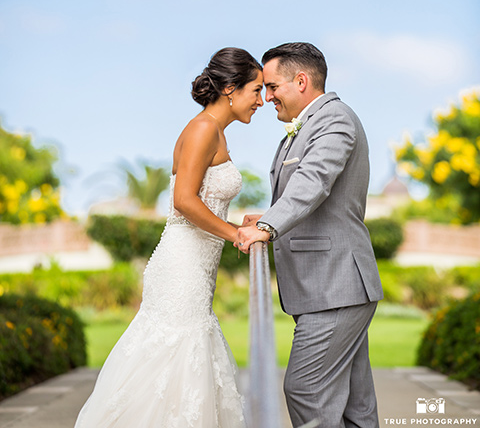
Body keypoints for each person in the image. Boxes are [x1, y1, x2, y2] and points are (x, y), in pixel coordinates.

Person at [75, 47, 264, 428]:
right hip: (181, 267)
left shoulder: (215, 132)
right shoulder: (202, 129)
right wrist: (235, 235)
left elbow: (207, 196)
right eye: (256, 90)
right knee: (171, 358)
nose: (262, 100)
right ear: (230, 88)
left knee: (187, 365)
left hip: (197, 268)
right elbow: (183, 201)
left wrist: (243, 221)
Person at [236, 42, 383, 428]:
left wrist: (266, 228)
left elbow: (313, 181)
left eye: (271, 87)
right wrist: (269, 214)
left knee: (306, 389)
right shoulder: (311, 124)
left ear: (301, 81)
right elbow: (315, 193)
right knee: (356, 406)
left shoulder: (334, 120)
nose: (266, 97)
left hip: (335, 285)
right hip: (331, 286)